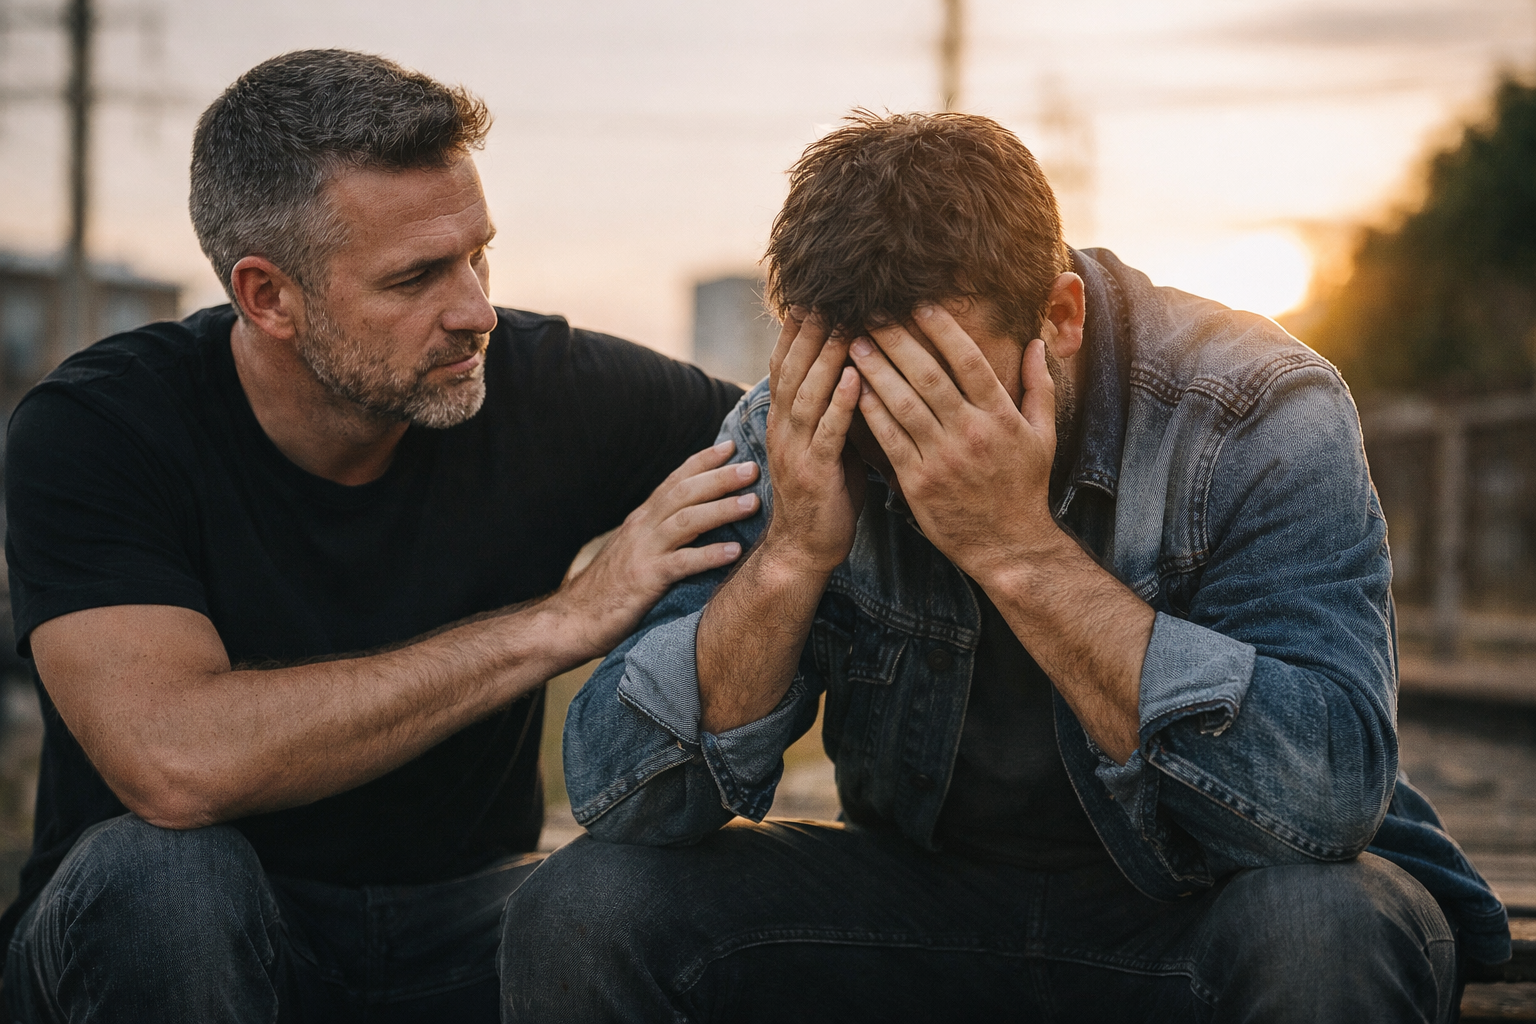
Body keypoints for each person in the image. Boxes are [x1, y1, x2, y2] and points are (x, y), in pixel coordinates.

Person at [503, 111, 1511, 1023]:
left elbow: (1323, 800)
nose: (903, 440)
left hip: (1204, 907)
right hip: (923, 898)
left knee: (1328, 929)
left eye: (939, 389)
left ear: (1060, 316)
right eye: (870, 400)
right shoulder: (793, 425)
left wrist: (1016, 550)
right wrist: (789, 560)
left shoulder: (1256, 410)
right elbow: (618, 792)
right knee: (581, 909)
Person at [0, 49, 759, 1022]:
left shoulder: (549, 385)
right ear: (267, 295)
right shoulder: (100, 427)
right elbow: (175, 764)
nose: (476, 309)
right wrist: (560, 623)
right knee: (167, 873)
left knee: (617, 901)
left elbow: (789, 450)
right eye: (415, 278)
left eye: (479, 252)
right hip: (167, 943)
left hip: (456, 919)